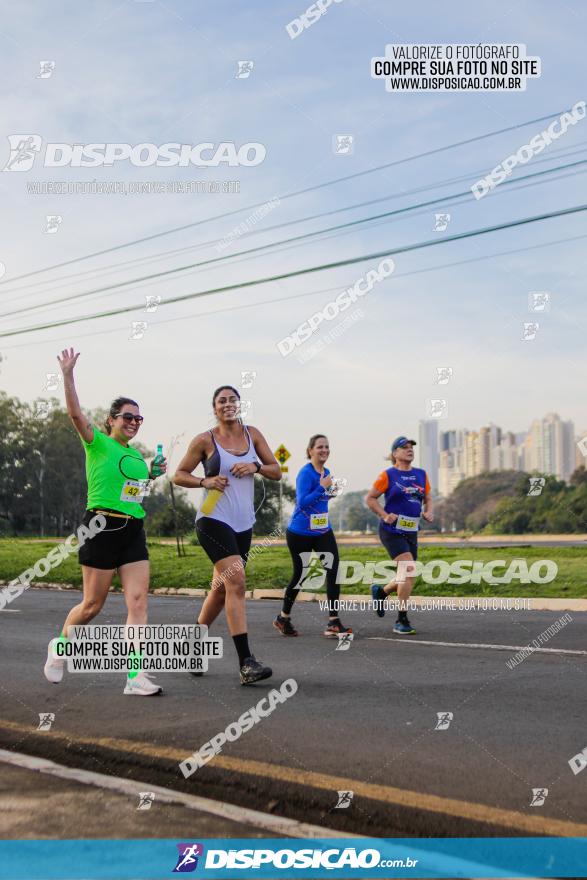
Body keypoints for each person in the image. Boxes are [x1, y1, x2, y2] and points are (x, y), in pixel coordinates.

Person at [43, 348, 166, 695]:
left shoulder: (137, 458)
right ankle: (60, 647)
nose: (133, 422)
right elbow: (74, 413)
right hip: (99, 526)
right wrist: (68, 374)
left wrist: (152, 474)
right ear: (111, 420)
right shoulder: (97, 444)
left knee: (138, 601)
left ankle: (134, 676)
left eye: (138, 419)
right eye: (127, 417)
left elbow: (133, 492)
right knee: (92, 606)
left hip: (132, 529)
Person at [173, 385, 281, 685]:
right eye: (222, 401)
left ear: (239, 405)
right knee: (237, 581)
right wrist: (204, 481)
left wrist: (256, 466)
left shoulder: (253, 435)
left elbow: (277, 471)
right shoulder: (204, 440)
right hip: (212, 518)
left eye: (233, 400)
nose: (228, 404)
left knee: (221, 589)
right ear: (215, 408)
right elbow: (179, 474)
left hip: (243, 523)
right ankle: (246, 663)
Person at [274, 434, 351, 638]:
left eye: (327, 446)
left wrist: (331, 491)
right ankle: (283, 617)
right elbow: (302, 502)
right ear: (310, 451)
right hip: (300, 533)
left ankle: (333, 621)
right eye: (320, 447)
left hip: (323, 530)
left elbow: (321, 499)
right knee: (301, 575)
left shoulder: (326, 472)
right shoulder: (305, 473)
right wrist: (322, 487)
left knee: (333, 571)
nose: (324, 450)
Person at [365, 436, 433, 634]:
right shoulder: (388, 475)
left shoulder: (421, 474)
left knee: (408, 575)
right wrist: (384, 515)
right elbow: (370, 499)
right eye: (404, 447)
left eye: (411, 447)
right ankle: (401, 620)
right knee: (409, 569)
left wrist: (429, 511)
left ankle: (381, 591)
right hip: (392, 531)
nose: (409, 449)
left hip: (412, 531)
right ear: (395, 454)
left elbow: (428, 497)